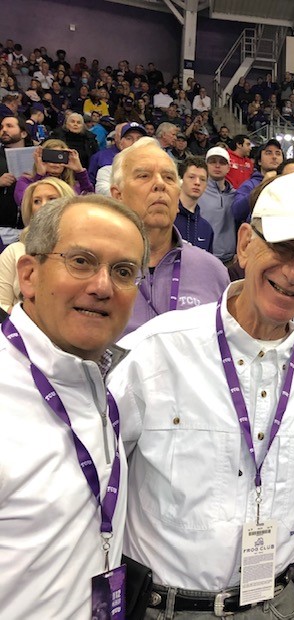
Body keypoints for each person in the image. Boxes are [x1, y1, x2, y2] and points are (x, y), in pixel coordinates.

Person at [107, 171, 294, 619]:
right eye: (282, 247)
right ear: (245, 244)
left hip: (276, 605)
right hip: (166, 608)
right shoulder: (156, 352)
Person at [0, 194, 148, 617]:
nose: (103, 286)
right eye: (81, 261)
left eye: (123, 271)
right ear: (29, 275)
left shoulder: (100, 381)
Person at [109, 137, 229, 335]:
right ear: (118, 195)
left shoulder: (213, 271)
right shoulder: (90, 270)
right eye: (144, 176)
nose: (160, 184)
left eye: (169, 178)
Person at [0, 177, 76, 312]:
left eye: (52, 199)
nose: (44, 205)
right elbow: (2, 304)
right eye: (37, 201)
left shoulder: (81, 252)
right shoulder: (15, 251)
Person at [14, 139, 94, 206]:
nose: (55, 163)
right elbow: (25, 204)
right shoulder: (25, 181)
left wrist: (80, 171)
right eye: (51, 156)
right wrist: (39, 175)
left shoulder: (74, 185)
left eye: (60, 157)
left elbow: (91, 202)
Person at [198, 146, 237, 265]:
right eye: (213, 161)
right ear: (206, 165)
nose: (217, 165)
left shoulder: (235, 195)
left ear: (228, 167)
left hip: (229, 259)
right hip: (203, 258)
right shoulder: (198, 191)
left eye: (222, 162)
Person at [232, 139, 283, 226]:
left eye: (278, 153)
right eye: (268, 153)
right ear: (259, 161)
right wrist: (262, 186)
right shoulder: (249, 185)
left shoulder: (287, 183)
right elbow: (237, 213)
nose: (274, 157)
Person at [0, 115, 32, 246]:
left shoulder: (36, 156)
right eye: (1, 127)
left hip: (28, 229)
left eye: (9, 126)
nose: (4, 130)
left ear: (23, 133)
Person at [175, 156, 214, 252]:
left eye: (202, 179)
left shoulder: (206, 228)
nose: (197, 182)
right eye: (191, 177)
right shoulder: (168, 219)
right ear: (180, 180)